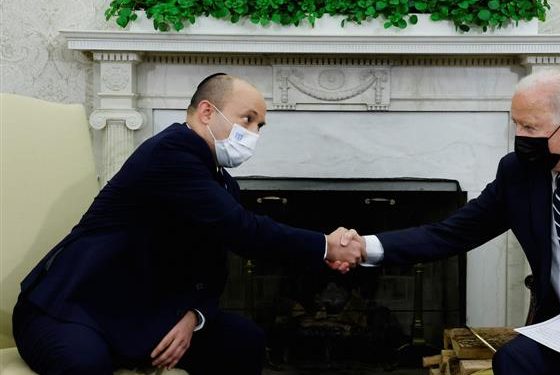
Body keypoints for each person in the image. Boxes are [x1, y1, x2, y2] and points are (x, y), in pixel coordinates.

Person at [337, 70, 560, 374]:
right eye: (516, 125)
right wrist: (365, 247)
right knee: (515, 359)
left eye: (530, 127)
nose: (520, 138)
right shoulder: (519, 175)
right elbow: (451, 233)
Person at [12, 73, 365, 375]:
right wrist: (327, 246)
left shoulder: (223, 181)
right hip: (71, 308)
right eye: (247, 119)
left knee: (244, 341)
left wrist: (192, 316)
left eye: (260, 126)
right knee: (85, 364)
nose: (254, 133)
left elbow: (213, 269)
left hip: (144, 313)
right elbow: (243, 231)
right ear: (207, 112)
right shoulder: (170, 153)